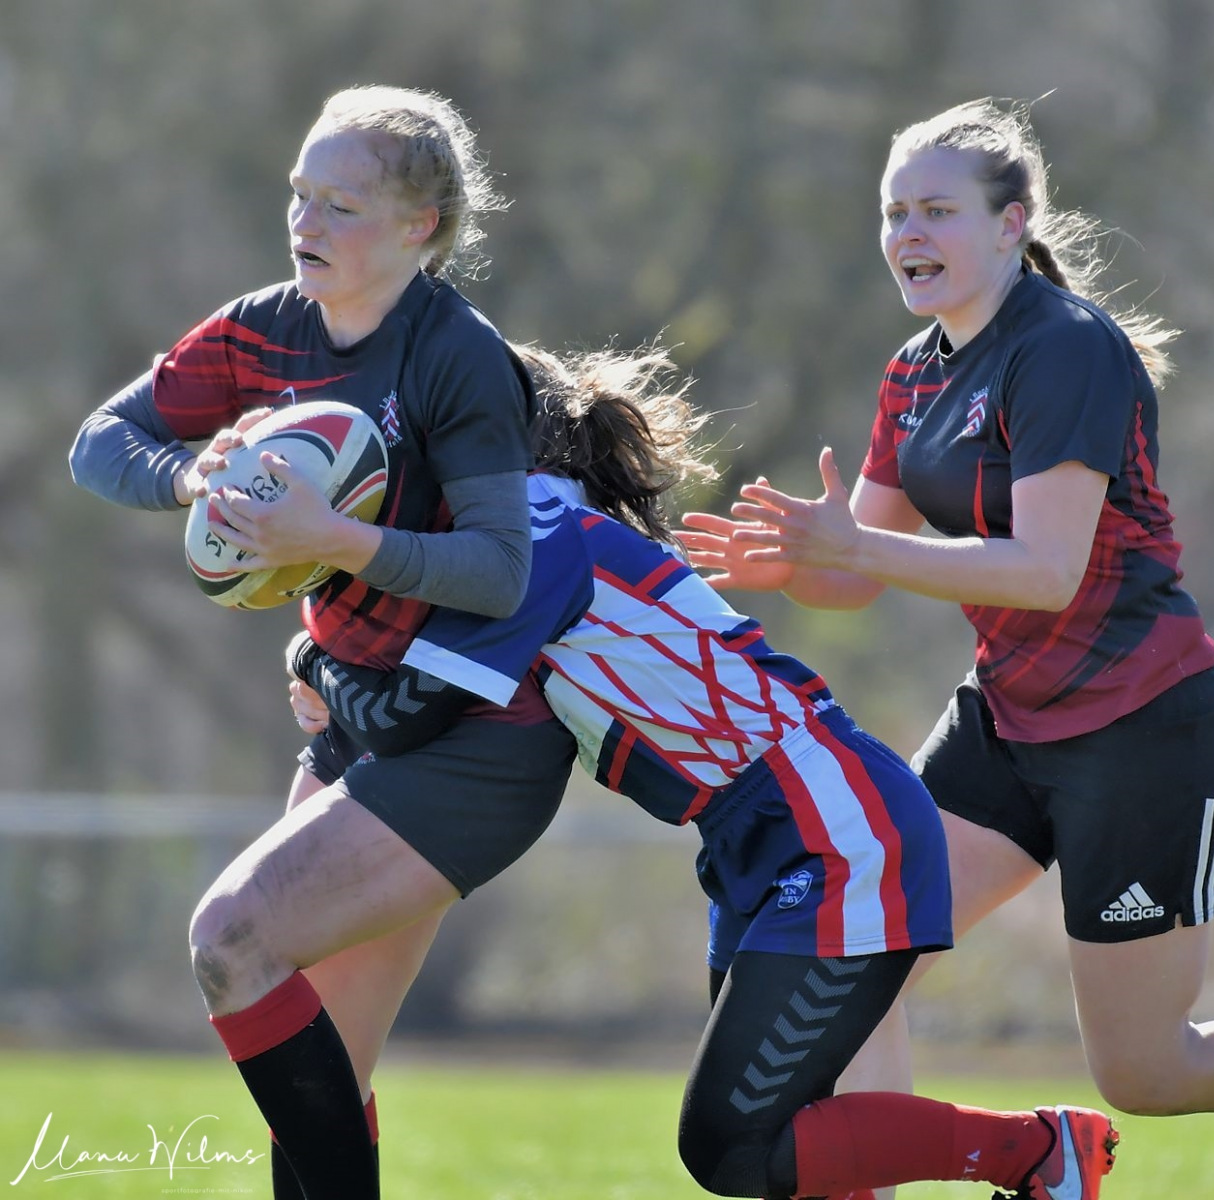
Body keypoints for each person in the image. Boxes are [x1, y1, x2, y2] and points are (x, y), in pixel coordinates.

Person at [283, 340, 1122, 1200]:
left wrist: (313, 659)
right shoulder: (522, 541)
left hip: (833, 829)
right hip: (760, 839)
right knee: (778, 1141)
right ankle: (1034, 1152)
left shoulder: (535, 534)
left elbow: (406, 711)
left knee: (731, 1148)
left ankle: (1035, 1150)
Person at [678, 94, 1214, 1176]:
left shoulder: (1064, 348)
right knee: (858, 957)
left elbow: (1044, 570)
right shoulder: (913, 371)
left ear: (1011, 222)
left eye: (936, 210)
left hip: (1142, 732)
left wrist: (857, 550)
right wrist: (799, 564)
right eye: (893, 212)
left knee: (1148, 1072)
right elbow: (858, 576)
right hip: (1006, 722)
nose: (907, 233)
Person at [68, 85, 579, 1200]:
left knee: (231, 941)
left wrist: (334, 539)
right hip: (358, 717)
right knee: (317, 1076)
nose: (306, 221)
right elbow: (99, 443)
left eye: (340, 205)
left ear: (419, 226)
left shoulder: (453, 356)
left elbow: (501, 571)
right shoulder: (263, 328)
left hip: (479, 736)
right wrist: (188, 475)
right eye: (299, 194)